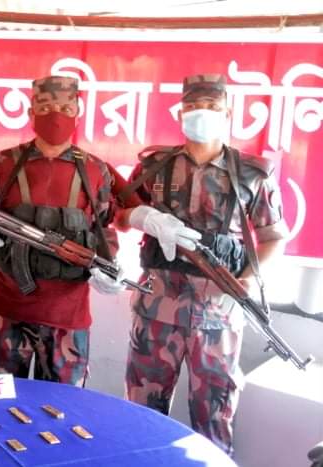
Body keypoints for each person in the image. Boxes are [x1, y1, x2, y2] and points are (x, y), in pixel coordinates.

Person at [117, 74, 289, 455]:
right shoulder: (154, 167)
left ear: (227, 114)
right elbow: (117, 214)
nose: (201, 113)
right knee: (140, 418)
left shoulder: (252, 175)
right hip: (156, 311)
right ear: (181, 113)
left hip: (218, 317)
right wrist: (143, 217)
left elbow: (274, 238)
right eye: (193, 107)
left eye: (211, 107)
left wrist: (247, 280)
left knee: (213, 421)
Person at [0, 74, 125, 386]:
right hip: (6, 310)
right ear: (31, 112)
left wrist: (109, 266)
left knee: (61, 410)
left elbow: (104, 228)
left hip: (68, 318)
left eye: (66, 108)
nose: (56, 115)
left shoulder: (95, 170)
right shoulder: (4, 163)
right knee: (0, 404)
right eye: (47, 107)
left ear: (77, 112)